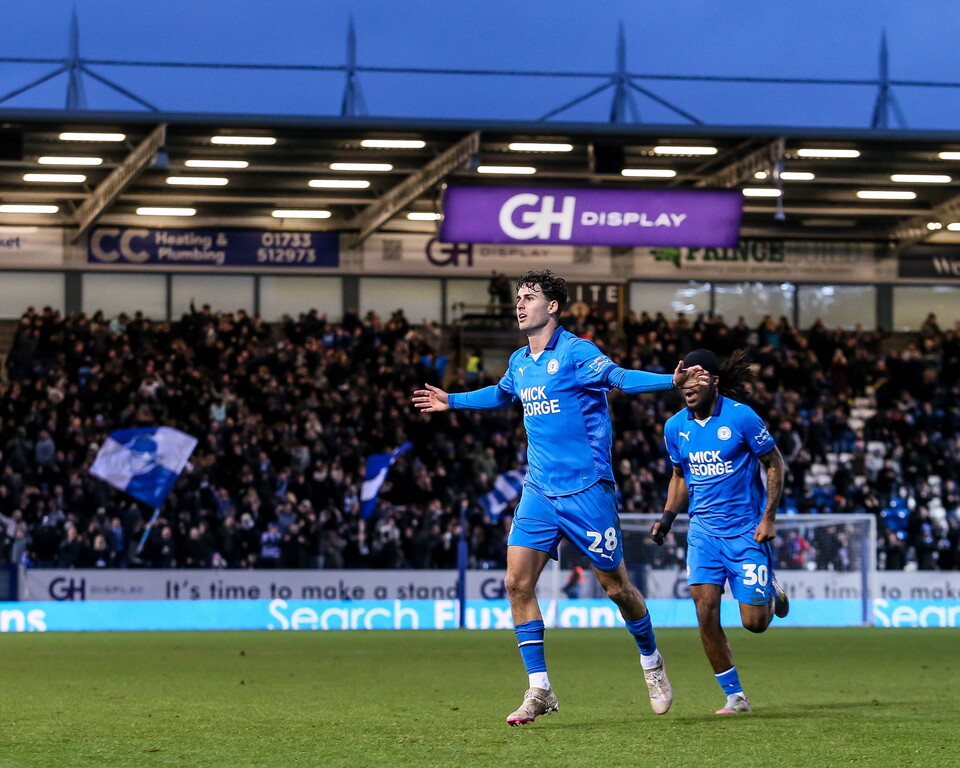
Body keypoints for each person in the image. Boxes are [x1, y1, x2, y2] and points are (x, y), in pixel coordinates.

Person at [413, 269, 707, 726]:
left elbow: (619, 378)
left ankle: (651, 660)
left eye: (529, 297)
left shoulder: (575, 352)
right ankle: (540, 690)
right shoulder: (519, 361)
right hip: (539, 491)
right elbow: (499, 393)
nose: (520, 303)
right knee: (515, 583)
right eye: (518, 297)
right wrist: (453, 401)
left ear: (552, 306)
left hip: (588, 491)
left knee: (617, 589)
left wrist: (669, 382)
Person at [650, 348, 789, 715]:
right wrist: (667, 520)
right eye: (684, 376)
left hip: (747, 534)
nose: (687, 384)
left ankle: (769, 590)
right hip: (703, 535)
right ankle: (735, 696)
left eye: (696, 376)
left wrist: (769, 518)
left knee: (754, 623)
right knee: (705, 611)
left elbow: (774, 464)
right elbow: (680, 477)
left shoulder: (742, 418)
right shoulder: (675, 427)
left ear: (713, 380)